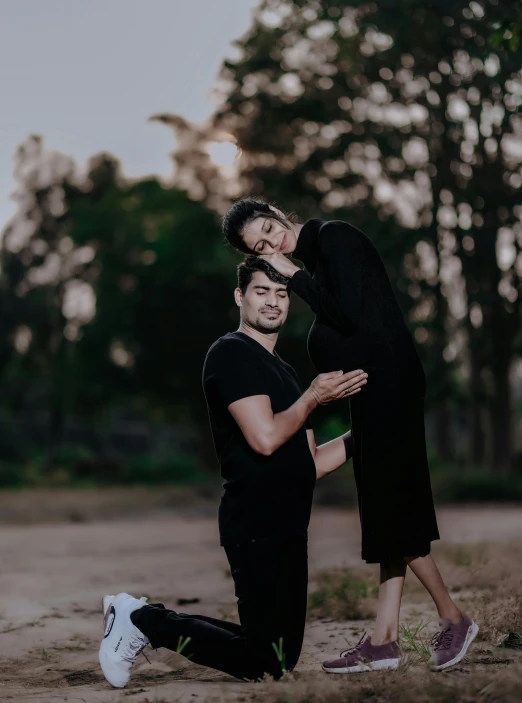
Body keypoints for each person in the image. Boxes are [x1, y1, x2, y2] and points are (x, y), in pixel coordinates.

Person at [222, 198, 478, 673]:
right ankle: (384, 639)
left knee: (393, 507)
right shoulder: (316, 258)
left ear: (276, 213)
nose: (270, 242)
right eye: (259, 246)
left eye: (266, 228)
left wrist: (295, 278)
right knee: (385, 508)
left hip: (391, 382)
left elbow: (349, 316)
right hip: (375, 386)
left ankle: (453, 616)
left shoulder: (334, 236)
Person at [98, 256, 368, 688]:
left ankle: (139, 617)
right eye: (262, 291)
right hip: (254, 520)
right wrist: (314, 398)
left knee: (276, 655)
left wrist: (363, 436)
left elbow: (311, 464)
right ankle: (142, 619)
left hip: (290, 524)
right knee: (264, 663)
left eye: (282, 294)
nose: (273, 302)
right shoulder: (231, 353)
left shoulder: (287, 372)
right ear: (240, 296)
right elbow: (264, 438)